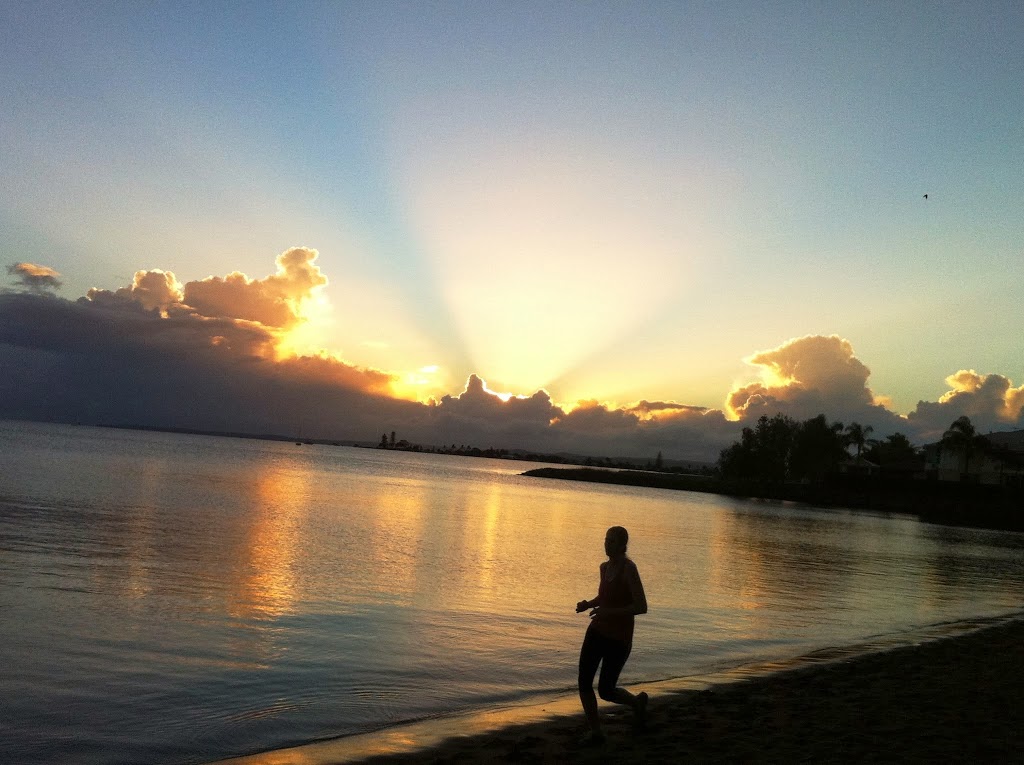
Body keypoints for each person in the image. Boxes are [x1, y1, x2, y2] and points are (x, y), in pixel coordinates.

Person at [575, 525, 648, 744]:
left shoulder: (629, 569)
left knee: (606, 691)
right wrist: (588, 604)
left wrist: (608, 612)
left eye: (612, 541)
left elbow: (641, 606)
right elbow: (603, 597)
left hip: (619, 638)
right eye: (606, 539)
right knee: (584, 681)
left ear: (623, 545)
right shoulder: (604, 567)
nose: (607, 544)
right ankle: (596, 732)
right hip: (596, 631)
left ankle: (636, 703)